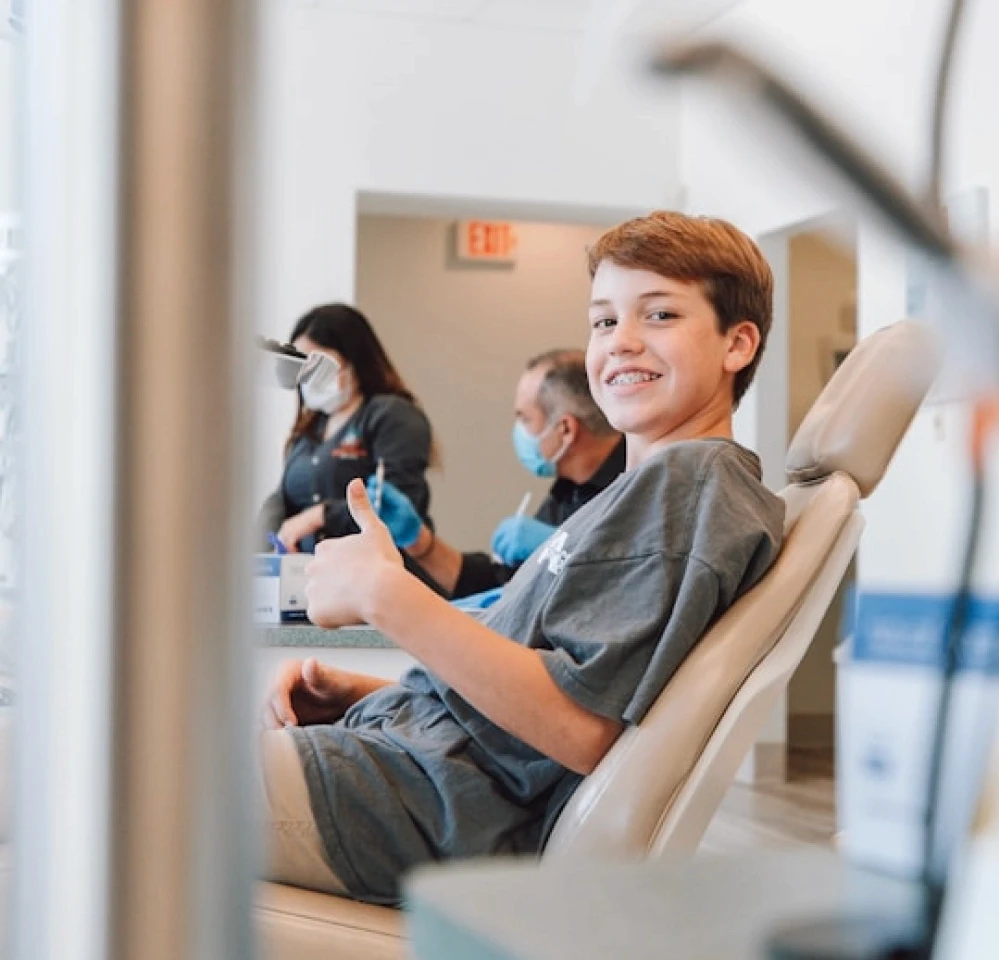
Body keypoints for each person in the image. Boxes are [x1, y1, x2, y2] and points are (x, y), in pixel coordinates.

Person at [260, 211, 785, 906]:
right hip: (405, 769)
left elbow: (579, 729)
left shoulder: (688, 485)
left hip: (426, 806)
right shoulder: (637, 495)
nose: (622, 341)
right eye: (603, 321)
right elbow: (536, 691)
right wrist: (366, 692)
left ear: (737, 343)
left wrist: (385, 594)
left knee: (136, 779)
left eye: (659, 314)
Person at [368, 348, 625, 601]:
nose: (518, 431)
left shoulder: (633, 488)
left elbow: (625, 589)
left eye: (524, 419)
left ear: (566, 429)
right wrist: (419, 542)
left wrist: (564, 548)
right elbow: (504, 584)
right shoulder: (568, 491)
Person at [258, 303, 436, 554]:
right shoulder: (310, 428)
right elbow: (283, 498)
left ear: (354, 360)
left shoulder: (391, 415)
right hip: (311, 571)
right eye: (302, 368)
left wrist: (320, 516)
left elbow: (393, 502)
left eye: (319, 364)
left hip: (378, 567)